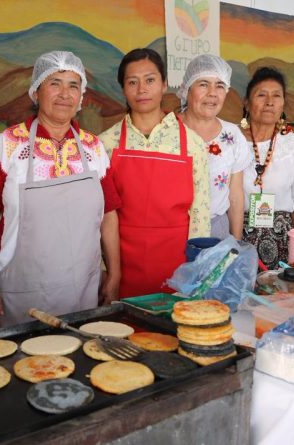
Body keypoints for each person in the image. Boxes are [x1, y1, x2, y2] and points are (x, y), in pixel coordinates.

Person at [0, 51, 120, 327]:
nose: (64, 94)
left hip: (83, 290)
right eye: (55, 83)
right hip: (23, 291)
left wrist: (114, 274)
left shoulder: (94, 148)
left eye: (73, 85)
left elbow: (109, 215)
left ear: (81, 97)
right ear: (36, 92)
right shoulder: (7, 145)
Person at [99, 48, 210, 298]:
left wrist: (196, 271)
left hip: (178, 268)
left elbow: (200, 214)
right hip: (122, 266)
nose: (141, 90)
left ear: (164, 84)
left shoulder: (192, 143)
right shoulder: (105, 144)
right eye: (132, 82)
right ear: (123, 88)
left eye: (150, 80)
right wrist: (106, 270)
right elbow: (100, 216)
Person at [240, 66, 294, 269]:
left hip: (281, 238)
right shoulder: (233, 141)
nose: (269, 102)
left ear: (283, 104)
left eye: (277, 96)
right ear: (247, 103)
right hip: (238, 237)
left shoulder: (292, 144)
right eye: (261, 95)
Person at [177, 54, 250, 240]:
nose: (212, 93)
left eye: (220, 85)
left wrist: (236, 242)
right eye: (203, 84)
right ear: (187, 90)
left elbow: (235, 195)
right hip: (173, 229)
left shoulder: (232, 135)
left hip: (216, 230)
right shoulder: (166, 131)